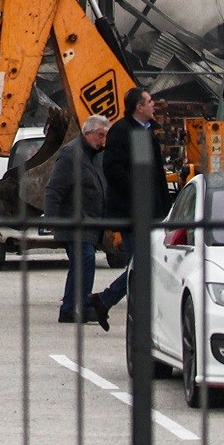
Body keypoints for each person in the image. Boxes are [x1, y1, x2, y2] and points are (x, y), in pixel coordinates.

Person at [96, 87, 171, 314]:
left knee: (143, 263)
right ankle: (109, 301)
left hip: (150, 211)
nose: (153, 105)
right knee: (140, 264)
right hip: (130, 211)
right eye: (149, 101)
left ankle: (105, 301)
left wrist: (163, 206)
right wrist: (137, 191)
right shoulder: (121, 131)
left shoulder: (145, 131)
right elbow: (113, 168)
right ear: (139, 107)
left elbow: (151, 173)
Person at [45, 114, 112, 329]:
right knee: (85, 260)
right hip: (74, 221)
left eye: (105, 136)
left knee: (80, 264)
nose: (103, 141)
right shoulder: (71, 154)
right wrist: (52, 218)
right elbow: (54, 189)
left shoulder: (96, 155)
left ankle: (69, 309)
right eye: (100, 135)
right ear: (88, 133)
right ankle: (81, 307)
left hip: (92, 222)